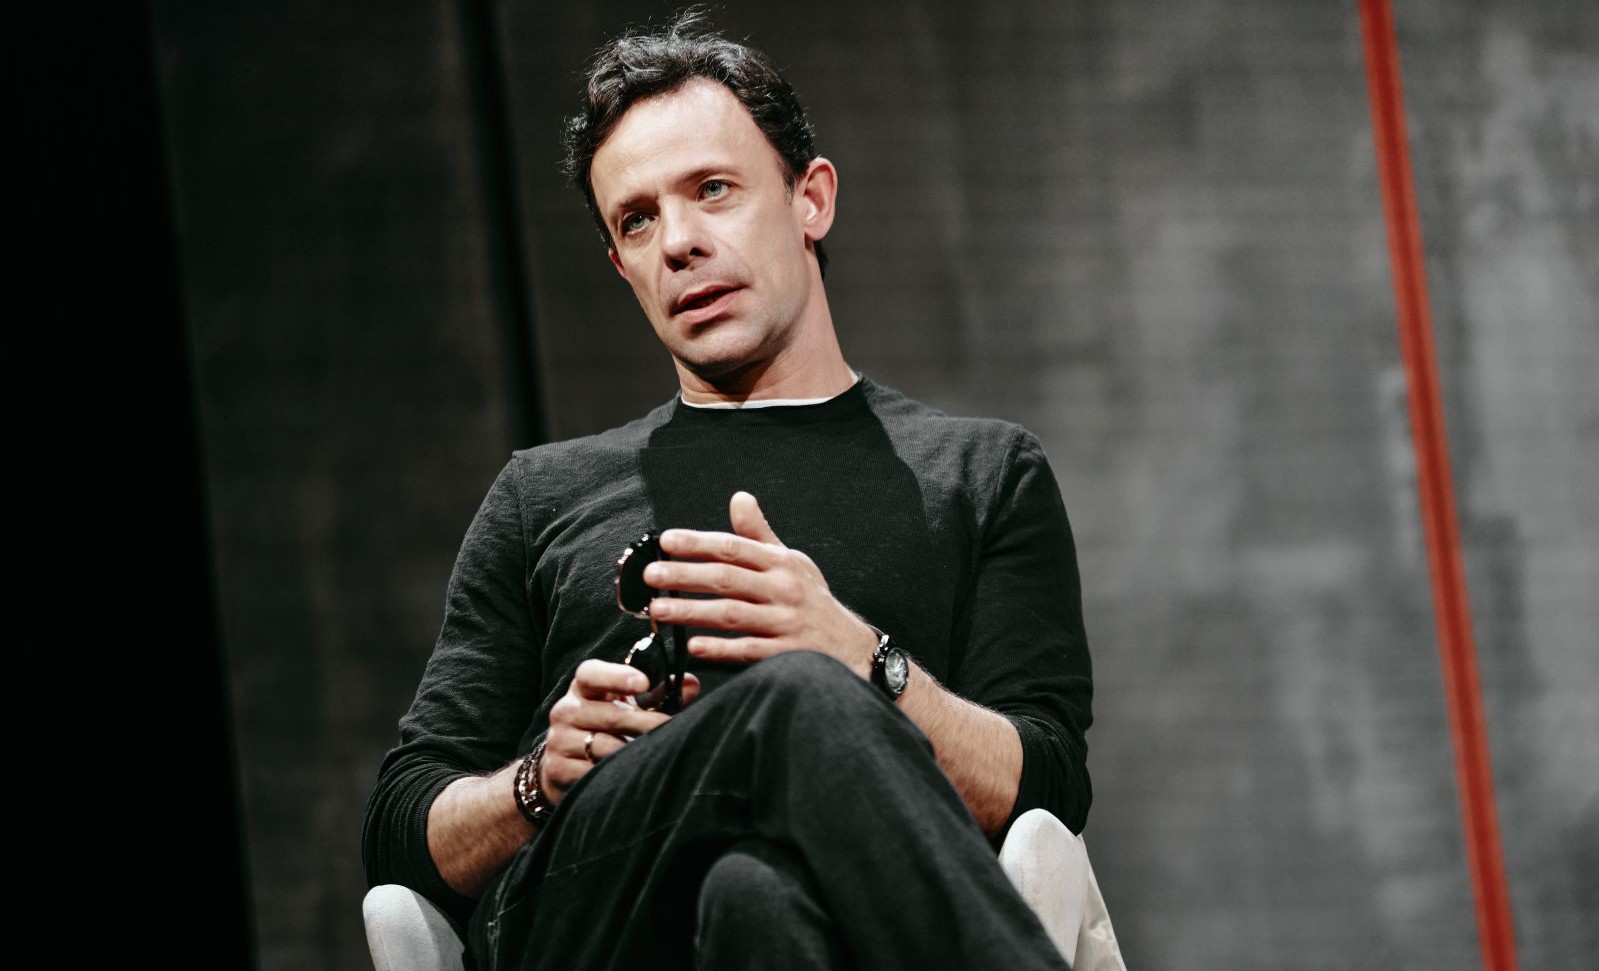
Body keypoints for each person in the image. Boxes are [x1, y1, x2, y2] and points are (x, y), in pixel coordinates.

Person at [362, 8, 1095, 969]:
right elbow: (400, 822)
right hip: (593, 914)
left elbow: (1047, 788)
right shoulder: (540, 494)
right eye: (638, 219)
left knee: (755, 895)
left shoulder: (982, 473)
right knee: (791, 699)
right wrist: (537, 778)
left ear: (810, 199)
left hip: (844, 929)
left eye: (713, 190)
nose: (678, 242)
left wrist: (862, 657)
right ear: (621, 264)